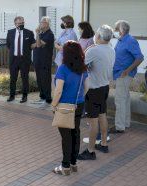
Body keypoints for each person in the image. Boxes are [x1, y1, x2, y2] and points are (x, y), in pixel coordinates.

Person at [78, 25, 115, 160]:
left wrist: (87, 49)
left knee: (93, 122)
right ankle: (104, 143)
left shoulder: (93, 50)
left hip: (93, 89)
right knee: (102, 115)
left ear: (98, 36)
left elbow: (80, 64)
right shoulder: (111, 49)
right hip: (104, 87)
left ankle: (90, 151)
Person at [51, 41, 88, 175]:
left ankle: (65, 166)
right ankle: (73, 163)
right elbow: (87, 87)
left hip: (64, 106)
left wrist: (53, 105)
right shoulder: (83, 68)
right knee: (75, 133)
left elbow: (58, 90)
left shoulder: (63, 68)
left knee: (66, 137)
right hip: (79, 104)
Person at [110, 20, 144, 134]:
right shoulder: (121, 40)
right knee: (125, 98)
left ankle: (119, 126)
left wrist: (128, 70)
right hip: (119, 73)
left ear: (121, 30)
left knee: (119, 100)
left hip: (124, 74)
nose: (115, 31)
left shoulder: (130, 40)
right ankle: (125, 123)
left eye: (116, 29)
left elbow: (140, 58)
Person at [6, 16, 36, 103]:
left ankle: (24, 96)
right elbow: (8, 45)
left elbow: (32, 44)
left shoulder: (29, 33)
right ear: (15, 24)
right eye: (19, 23)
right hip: (14, 59)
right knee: (13, 78)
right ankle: (12, 96)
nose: (21, 24)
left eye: (22, 23)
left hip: (24, 60)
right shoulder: (10, 32)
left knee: (25, 78)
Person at [33, 16, 55, 104]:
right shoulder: (42, 33)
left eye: (42, 22)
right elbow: (34, 45)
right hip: (37, 59)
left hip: (45, 60)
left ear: (47, 24)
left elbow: (38, 44)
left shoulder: (50, 34)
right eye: (40, 22)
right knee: (39, 78)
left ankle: (48, 98)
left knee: (45, 79)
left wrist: (37, 34)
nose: (40, 24)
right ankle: (42, 96)